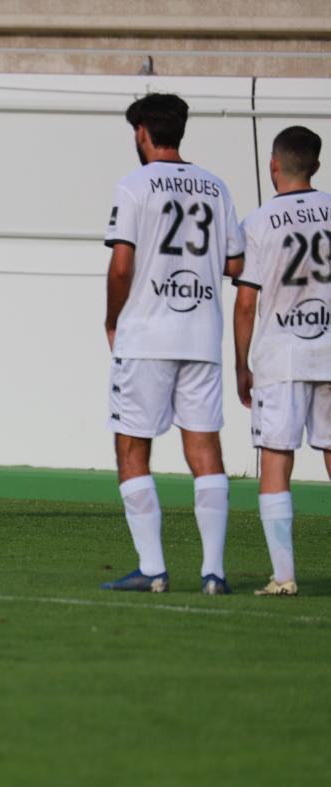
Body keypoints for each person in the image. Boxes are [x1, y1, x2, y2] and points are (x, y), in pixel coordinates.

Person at [101, 93, 245, 594]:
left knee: (132, 448)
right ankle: (213, 573)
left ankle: (153, 569)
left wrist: (111, 318)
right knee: (204, 447)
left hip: (145, 335)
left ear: (142, 132)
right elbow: (234, 264)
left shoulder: (134, 185)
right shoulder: (216, 186)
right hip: (201, 334)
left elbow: (122, 264)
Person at [233, 126, 330, 597]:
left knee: (276, 459)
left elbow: (246, 303)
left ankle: (284, 576)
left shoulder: (258, 222)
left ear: (274, 165)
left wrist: (240, 363)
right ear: (316, 164)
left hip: (280, 356)